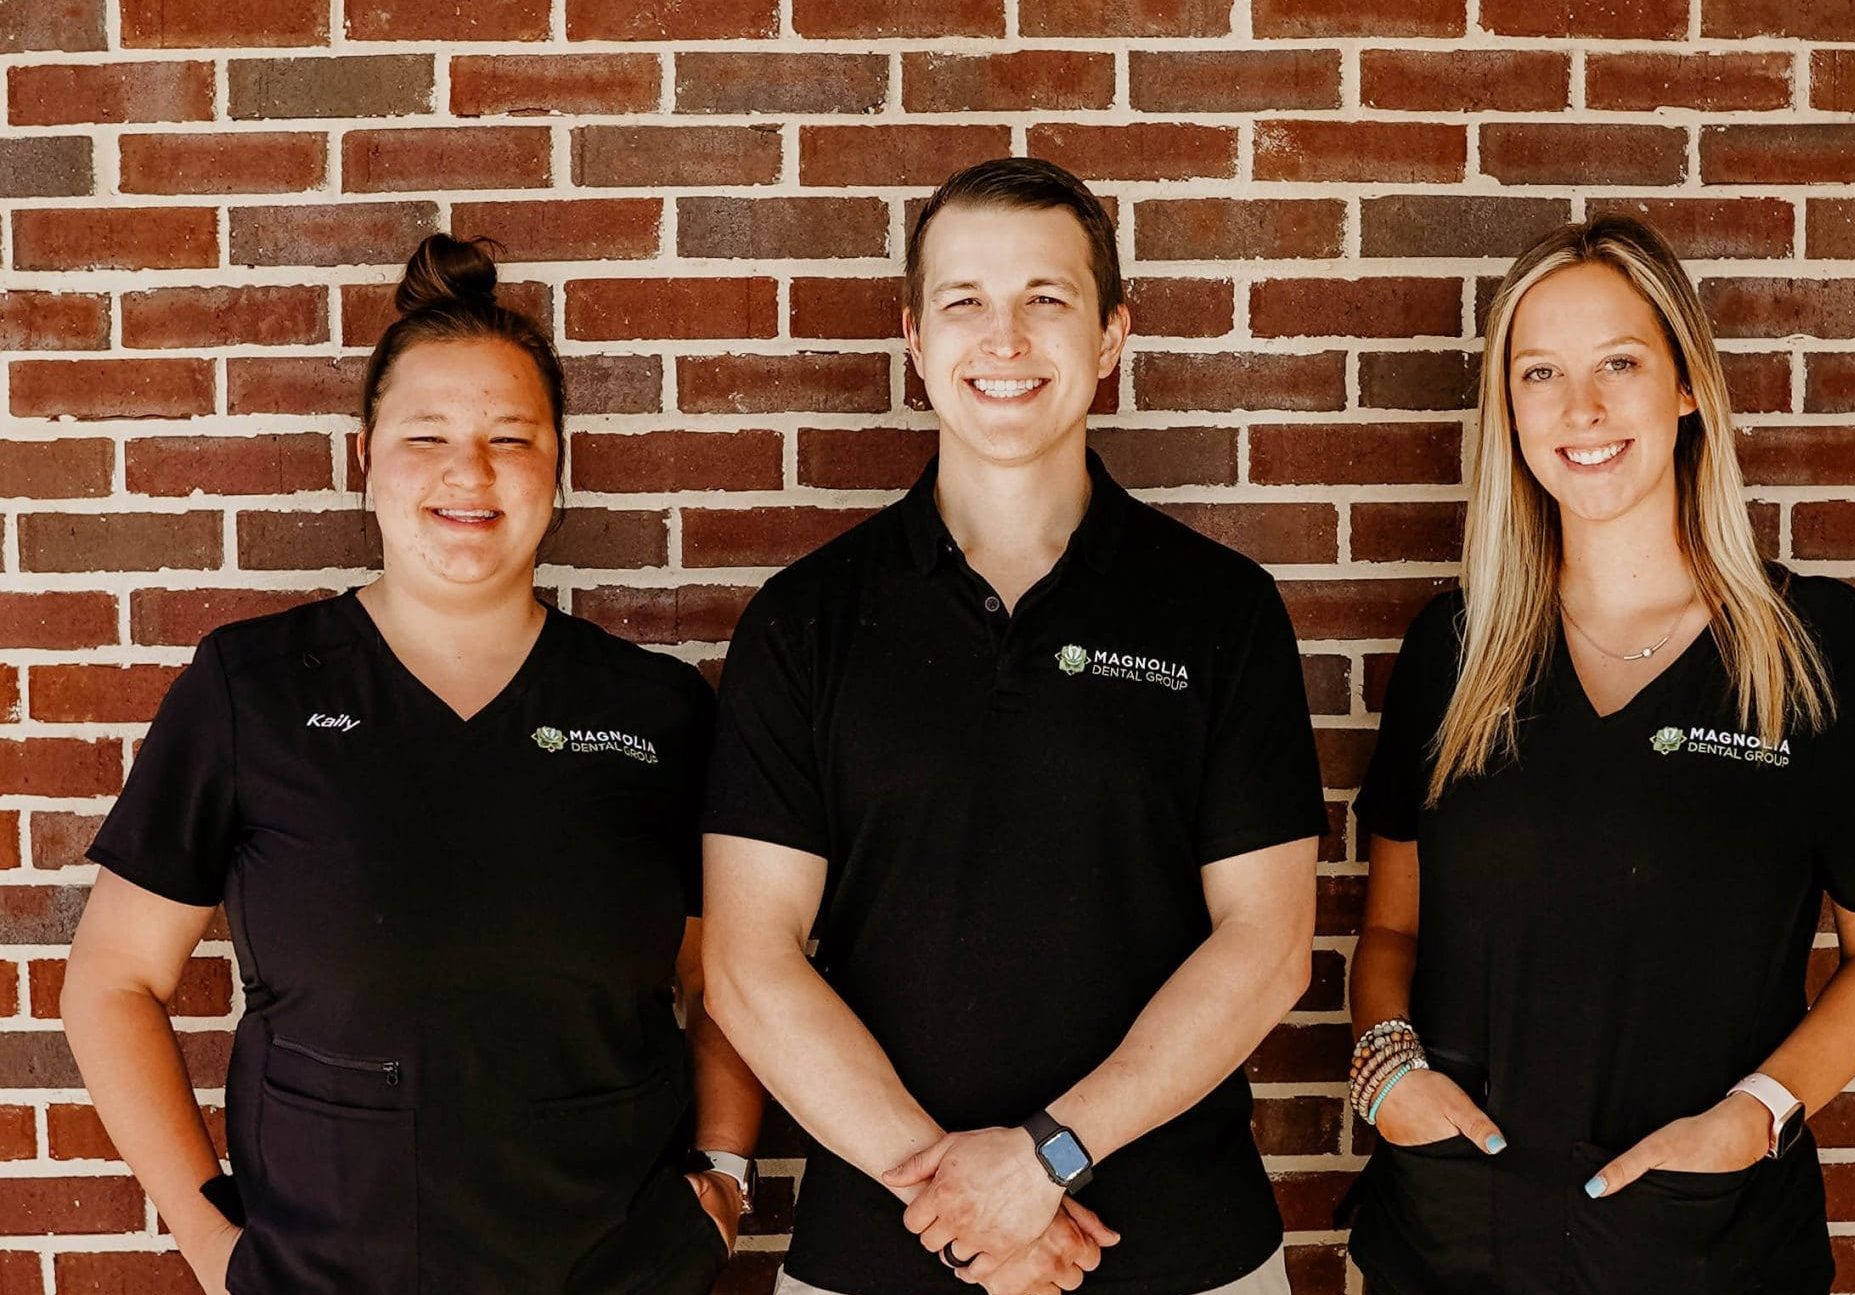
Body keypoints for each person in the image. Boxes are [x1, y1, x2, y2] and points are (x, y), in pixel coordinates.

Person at [60, 234, 762, 1295]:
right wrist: (214, 1242)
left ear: (559, 463)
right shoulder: (254, 688)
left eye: (510, 438)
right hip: (330, 1269)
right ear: (366, 455)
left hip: (614, 1269)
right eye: (425, 433)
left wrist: (722, 1177)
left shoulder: (653, 708)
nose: (467, 472)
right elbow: (111, 982)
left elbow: (726, 977)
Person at [700, 157, 1327, 1295]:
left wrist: (1049, 1156)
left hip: (1179, 1247)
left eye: (1047, 299)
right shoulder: (804, 621)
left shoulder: (1220, 608)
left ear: (1110, 336)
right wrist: (963, 1199)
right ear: (912, 340)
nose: (1004, 338)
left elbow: (1268, 944)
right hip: (877, 1250)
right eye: (964, 302)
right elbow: (749, 964)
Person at [1343, 214, 1855, 1295]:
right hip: (1452, 1240)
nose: (1582, 410)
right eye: (1541, 373)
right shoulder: (1453, 645)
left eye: (1619, 363)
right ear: (1507, 409)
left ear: (1684, 387)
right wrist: (1386, 1071)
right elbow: (1389, 924)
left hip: (1704, 1247)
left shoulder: (1820, 651)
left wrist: (1750, 1118)